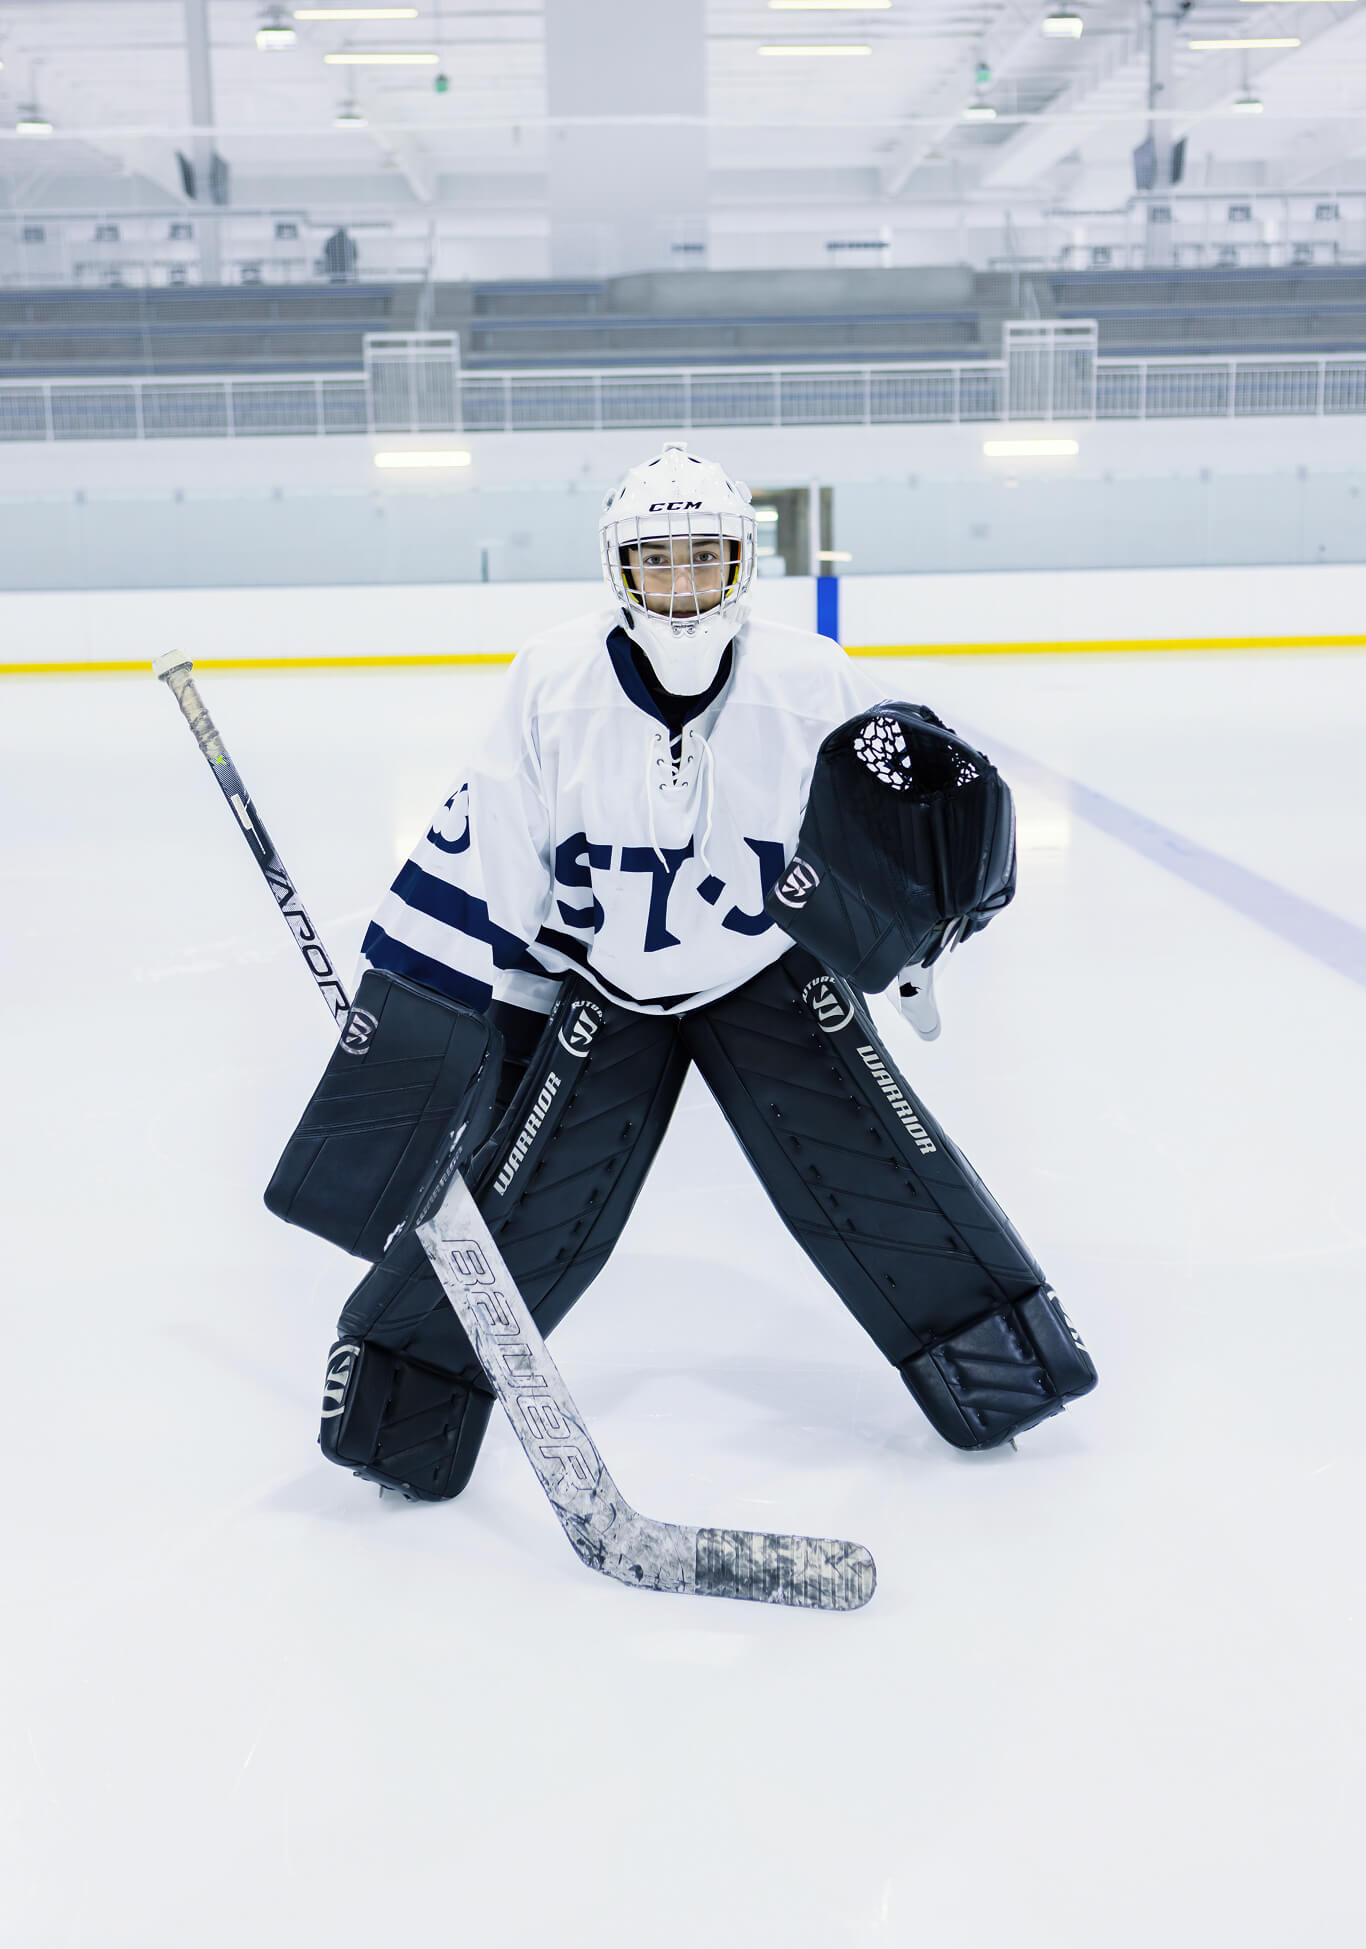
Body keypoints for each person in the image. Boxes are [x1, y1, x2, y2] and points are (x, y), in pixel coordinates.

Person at [275, 442, 1096, 1500]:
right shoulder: (551, 680)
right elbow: (494, 849)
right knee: (525, 1202)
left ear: (739, 564)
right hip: (599, 982)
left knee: (878, 1167)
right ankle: (401, 1413)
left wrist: (907, 944)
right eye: (656, 562)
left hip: (761, 970)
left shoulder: (812, 680)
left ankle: (1003, 1376)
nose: (680, 586)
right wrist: (477, 1014)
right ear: (618, 570)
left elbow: (894, 822)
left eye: (701, 559)